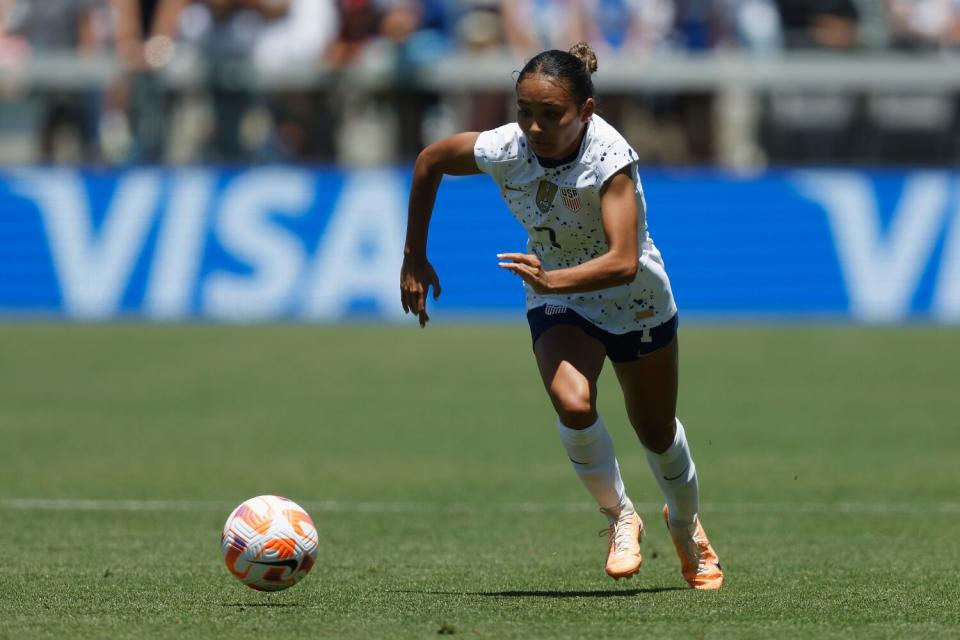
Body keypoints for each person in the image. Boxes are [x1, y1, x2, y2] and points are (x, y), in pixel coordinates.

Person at [399, 42, 723, 589]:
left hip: (632, 297)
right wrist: (414, 254)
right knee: (573, 402)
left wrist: (552, 278)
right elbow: (430, 161)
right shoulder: (505, 147)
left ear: (586, 111)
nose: (534, 126)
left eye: (552, 115)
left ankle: (687, 524)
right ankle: (621, 516)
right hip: (559, 294)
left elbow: (622, 263)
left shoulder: (610, 159)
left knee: (656, 430)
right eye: (525, 111)